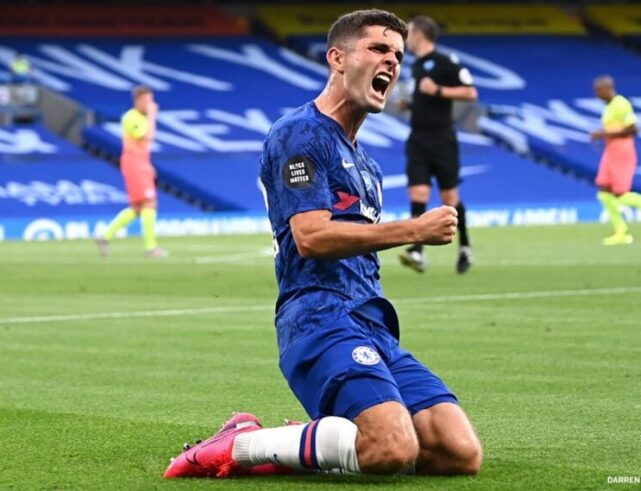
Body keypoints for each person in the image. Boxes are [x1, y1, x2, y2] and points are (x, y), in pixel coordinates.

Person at [163, 9, 482, 479]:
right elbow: (311, 237)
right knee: (390, 448)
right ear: (337, 57)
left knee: (458, 453)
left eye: (397, 54)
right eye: (377, 49)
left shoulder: (367, 165)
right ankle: (244, 442)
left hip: (372, 324)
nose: (392, 63)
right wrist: (414, 230)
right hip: (318, 318)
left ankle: (316, 439)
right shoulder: (301, 132)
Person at [397, 15, 478, 274]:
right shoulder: (416, 66)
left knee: (449, 197)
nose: (406, 38)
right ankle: (418, 250)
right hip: (418, 138)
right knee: (418, 194)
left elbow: (470, 92)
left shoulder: (445, 62)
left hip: (442, 139)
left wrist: (440, 91)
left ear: (420, 34)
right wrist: (410, 104)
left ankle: (465, 246)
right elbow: (425, 96)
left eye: (408, 32)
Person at [590, 75, 641, 246]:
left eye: (598, 90)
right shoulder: (609, 107)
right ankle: (621, 232)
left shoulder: (621, 104)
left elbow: (633, 129)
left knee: (620, 194)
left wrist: (604, 134)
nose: (596, 94)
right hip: (610, 151)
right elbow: (615, 128)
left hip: (622, 151)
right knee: (603, 190)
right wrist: (603, 134)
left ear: (607, 88)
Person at [95, 86, 167, 257]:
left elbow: (144, 146)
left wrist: (148, 164)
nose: (150, 104)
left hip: (141, 162)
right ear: (138, 101)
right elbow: (146, 137)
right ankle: (151, 248)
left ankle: (105, 236)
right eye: (147, 101)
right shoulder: (131, 117)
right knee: (149, 203)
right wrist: (152, 115)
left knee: (137, 207)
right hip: (133, 163)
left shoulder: (141, 118)